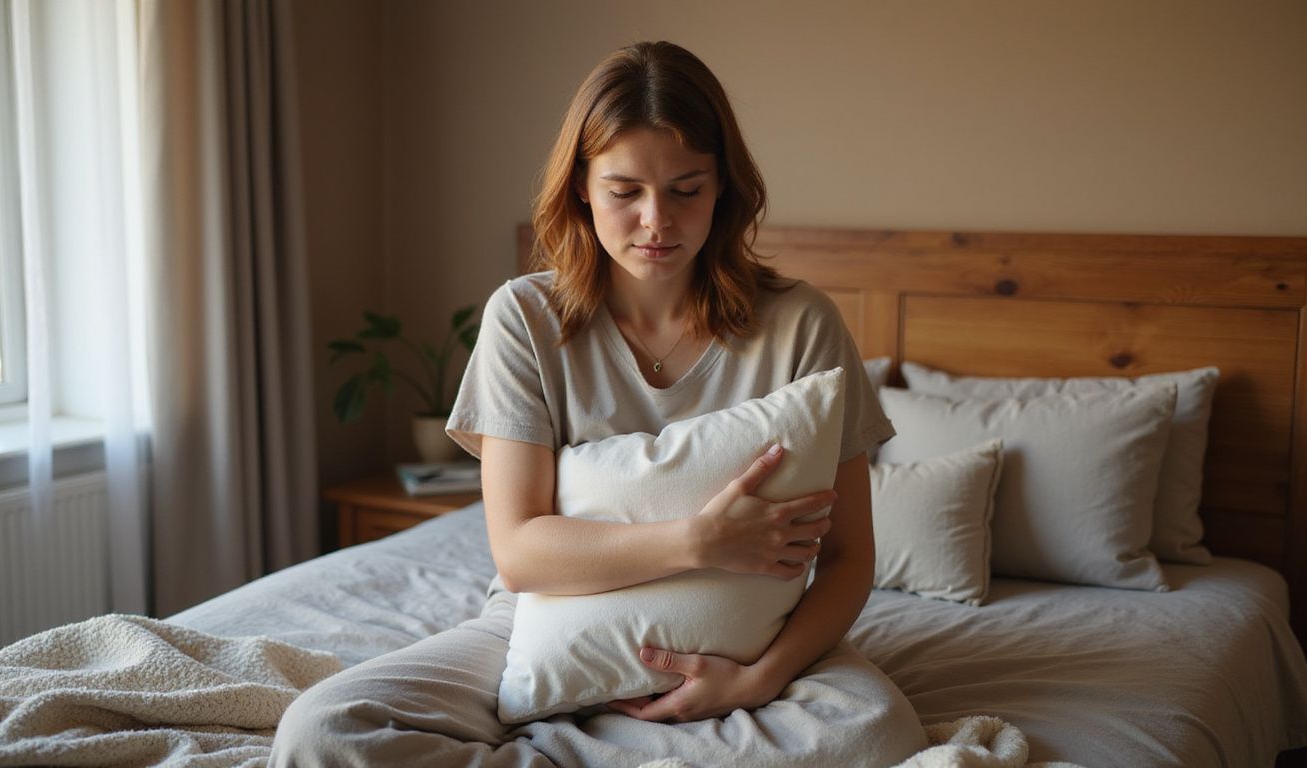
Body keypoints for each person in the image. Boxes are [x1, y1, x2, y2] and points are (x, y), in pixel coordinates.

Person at [271, 41, 924, 767]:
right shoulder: (525, 318)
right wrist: (699, 541)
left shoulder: (802, 326)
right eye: (625, 191)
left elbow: (847, 559)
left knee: (875, 733)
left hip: (755, 639)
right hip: (542, 620)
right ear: (581, 185)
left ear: (724, 188)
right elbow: (519, 552)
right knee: (322, 730)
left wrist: (754, 680)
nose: (657, 221)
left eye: (687, 188)